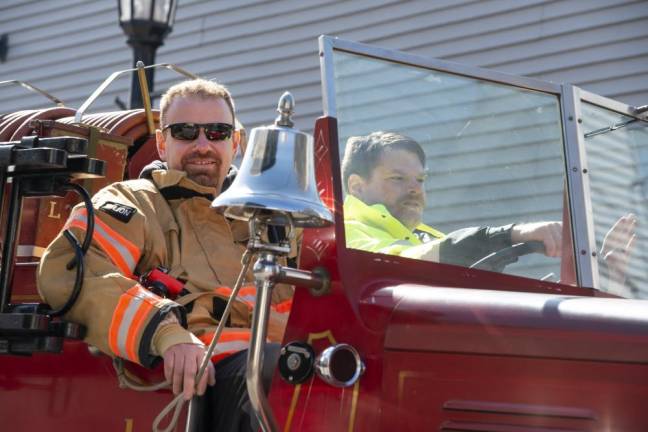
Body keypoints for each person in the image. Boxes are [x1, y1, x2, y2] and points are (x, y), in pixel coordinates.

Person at [37, 79, 291, 431]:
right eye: (185, 131)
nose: (202, 144)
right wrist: (167, 334)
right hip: (208, 379)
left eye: (217, 132)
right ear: (161, 143)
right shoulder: (133, 203)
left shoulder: (272, 221)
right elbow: (74, 272)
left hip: (282, 366)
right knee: (272, 373)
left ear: (236, 143)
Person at [341, 131, 564, 269]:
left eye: (420, 179)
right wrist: (510, 235)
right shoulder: (341, 236)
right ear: (357, 187)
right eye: (398, 178)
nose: (415, 189)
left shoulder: (430, 238)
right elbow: (400, 264)